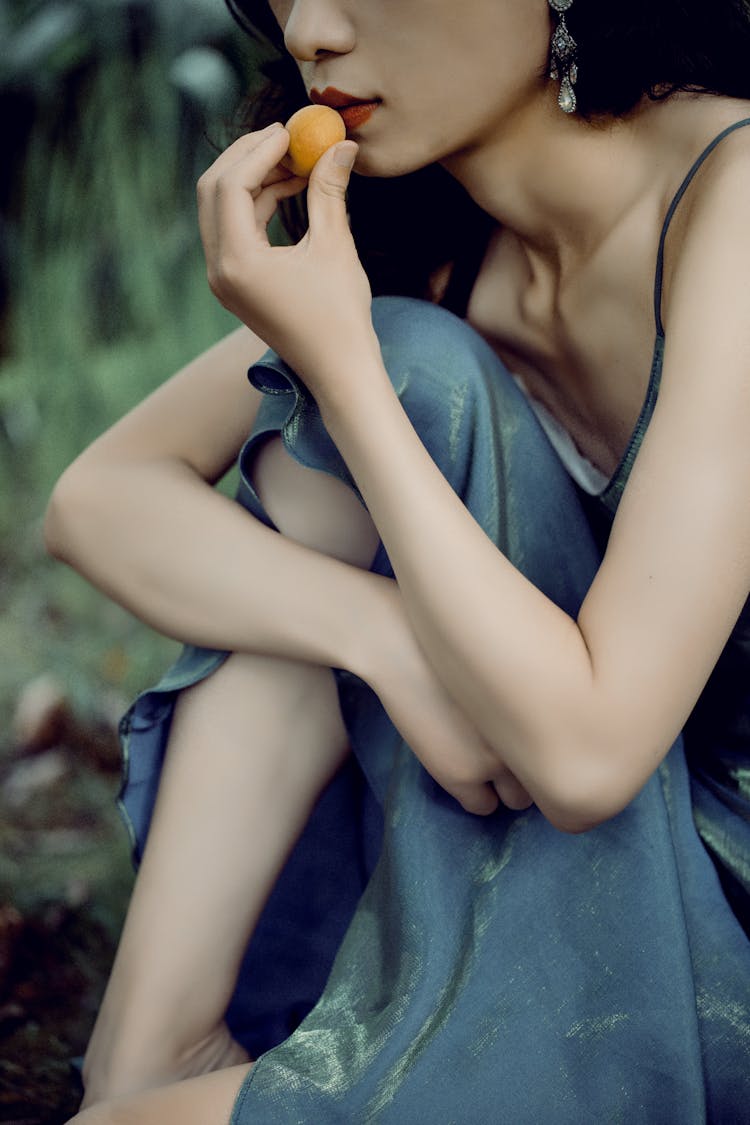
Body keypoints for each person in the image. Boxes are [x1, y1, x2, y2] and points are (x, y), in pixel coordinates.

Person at [47, 0, 750, 1121]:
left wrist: (345, 372)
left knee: (382, 372)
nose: (312, 31)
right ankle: (148, 1048)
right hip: (523, 838)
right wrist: (382, 639)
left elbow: (586, 756)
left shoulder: (735, 197)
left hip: (716, 928)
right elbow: (97, 499)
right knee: (403, 362)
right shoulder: (439, 246)